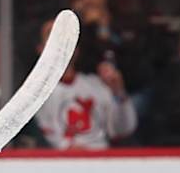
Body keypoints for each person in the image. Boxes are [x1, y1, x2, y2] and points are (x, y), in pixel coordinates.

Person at [35, 19, 137, 150]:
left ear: (76, 48)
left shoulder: (96, 85)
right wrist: (69, 149)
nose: (59, 39)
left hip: (101, 161)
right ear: (41, 49)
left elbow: (123, 130)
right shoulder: (34, 93)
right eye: (52, 34)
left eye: (64, 34)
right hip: (59, 164)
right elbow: (43, 137)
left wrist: (118, 92)